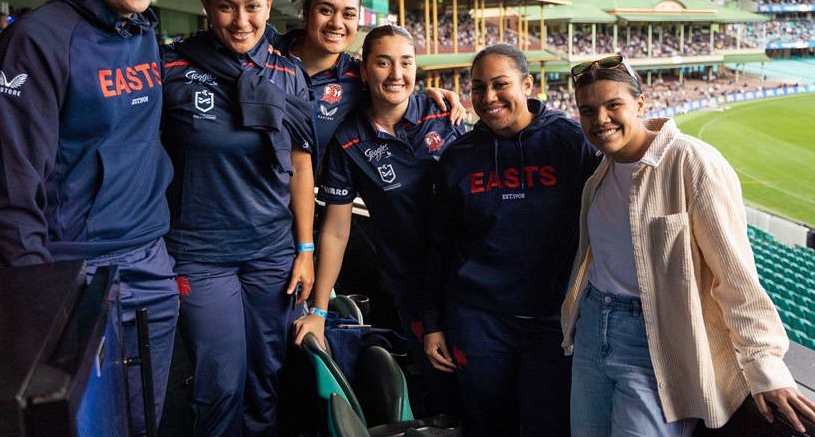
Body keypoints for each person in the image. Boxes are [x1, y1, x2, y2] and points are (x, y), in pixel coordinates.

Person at [0, 0, 178, 436]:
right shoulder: (37, 41)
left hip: (151, 261)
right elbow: (14, 193)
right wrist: (40, 305)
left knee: (145, 421)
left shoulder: (141, 30)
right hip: (77, 272)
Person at [562, 55, 815, 436]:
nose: (600, 119)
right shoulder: (600, 172)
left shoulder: (693, 163)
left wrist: (765, 366)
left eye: (613, 105)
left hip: (657, 345)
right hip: (593, 332)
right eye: (588, 110)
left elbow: (736, 275)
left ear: (640, 104)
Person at [161, 0, 316, 436]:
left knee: (266, 376)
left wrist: (306, 248)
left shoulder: (289, 73)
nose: (241, 19)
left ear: (269, 6)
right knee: (219, 381)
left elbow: (299, 165)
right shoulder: (174, 68)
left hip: (272, 252)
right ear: (207, 5)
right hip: (200, 254)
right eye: (227, 6)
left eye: (252, 7)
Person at [423, 43, 600, 436]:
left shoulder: (571, 142)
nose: (488, 98)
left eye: (500, 85)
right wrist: (433, 322)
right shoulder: (460, 156)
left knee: (549, 424)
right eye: (477, 87)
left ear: (527, 85)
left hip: (553, 322)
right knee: (487, 424)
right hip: (479, 320)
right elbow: (441, 245)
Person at [293, 24, 463, 416]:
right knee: (442, 396)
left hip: (468, 283)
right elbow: (336, 230)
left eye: (406, 62)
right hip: (413, 289)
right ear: (364, 71)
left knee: (484, 394)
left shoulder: (443, 113)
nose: (396, 74)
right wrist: (318, 312)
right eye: (383, 63)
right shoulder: (348, 140)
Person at [274, 0, 464, 157]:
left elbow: (392, 91)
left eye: (348, 14)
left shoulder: (357, 77)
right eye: (326, 10)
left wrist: (424, 96)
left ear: (357, 23)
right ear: (306, 13)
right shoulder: (266, 49)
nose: (336, 23)